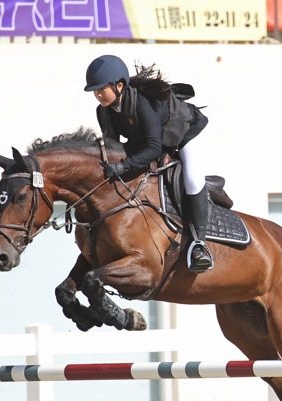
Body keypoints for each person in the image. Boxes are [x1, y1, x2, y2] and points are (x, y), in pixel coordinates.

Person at [83, 54, 214, 273]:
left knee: (191, 179)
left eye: (101, 89)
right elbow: (114, 148)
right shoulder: (104, 110)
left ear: (119, 86)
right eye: (94, 91)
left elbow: (153, 148)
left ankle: (198, 244)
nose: (98, 94)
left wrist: (124, 166)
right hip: (153, 141)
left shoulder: (142, 103)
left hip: (184, 133)